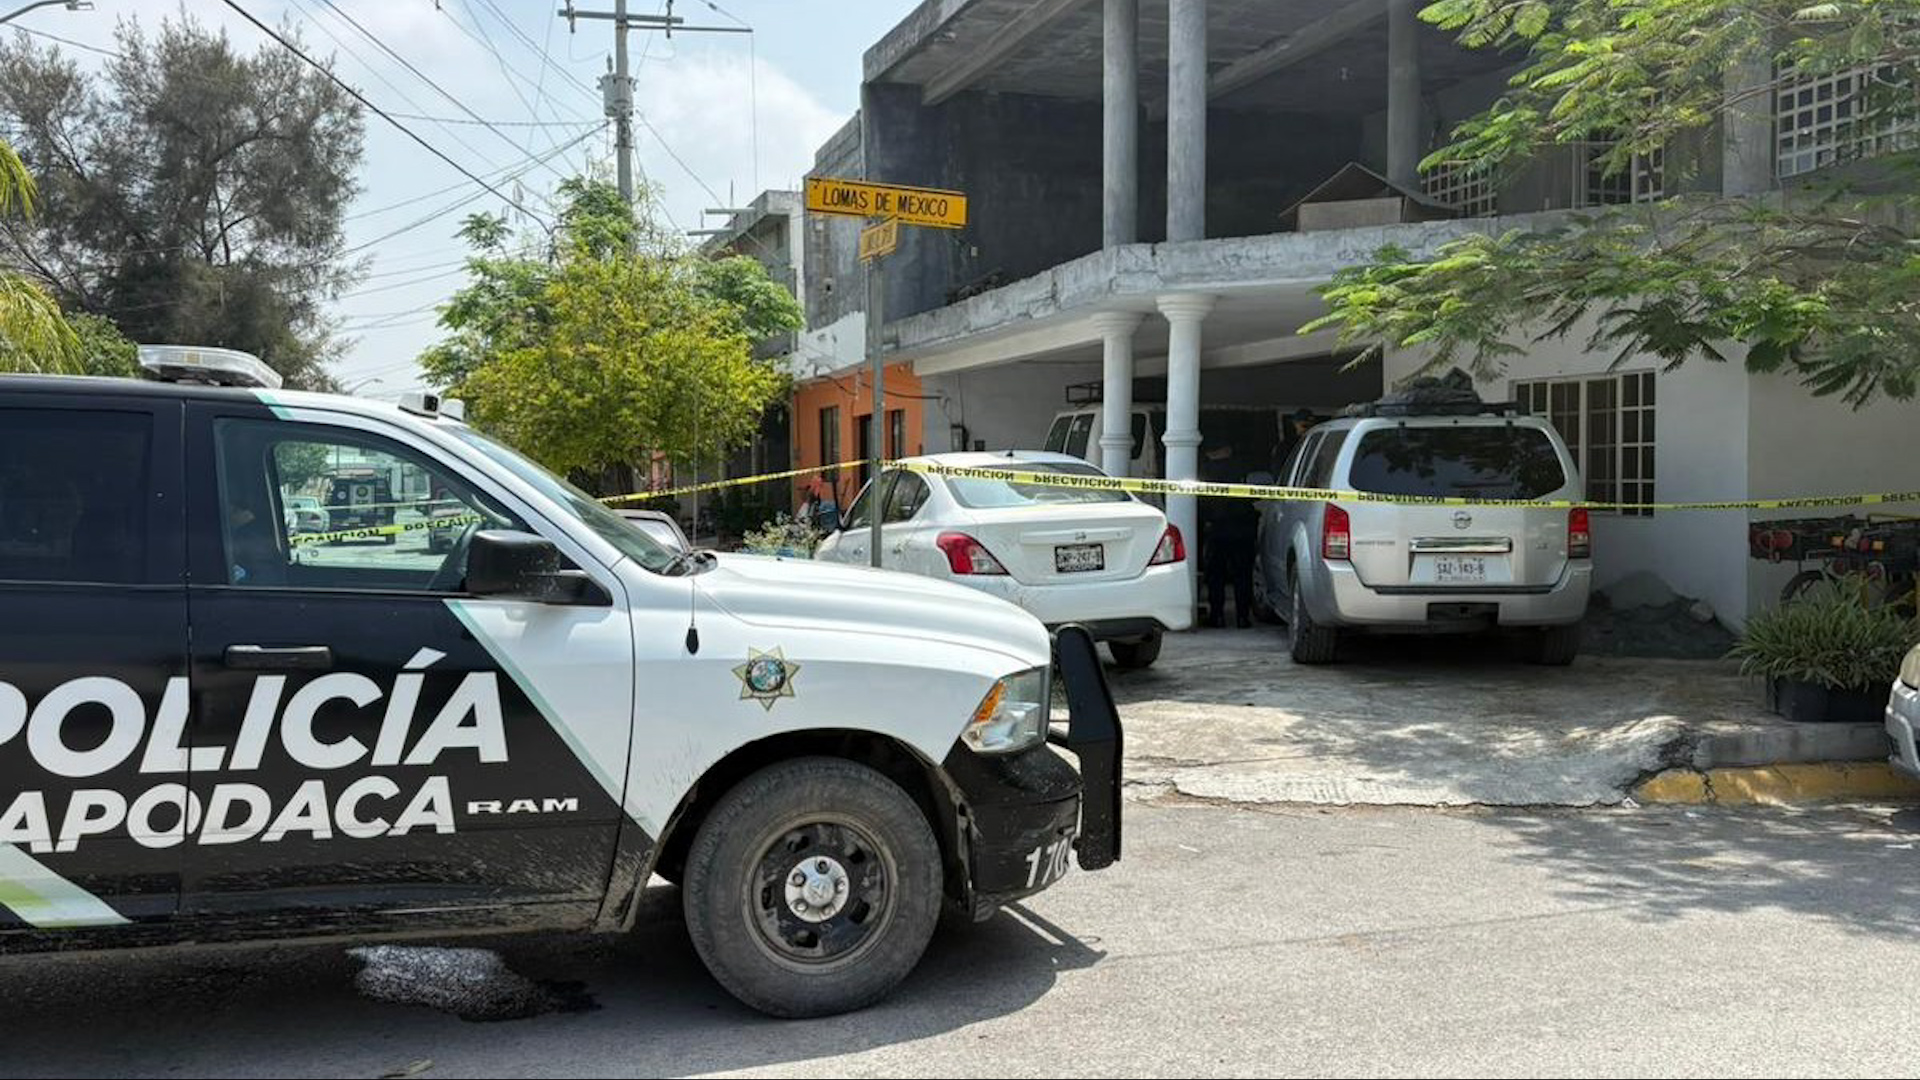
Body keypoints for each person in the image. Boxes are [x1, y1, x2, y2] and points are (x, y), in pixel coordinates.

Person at [1201, 440, 1258, 628]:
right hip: (1243, 529)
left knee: (1215, 576)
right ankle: (1243, 617)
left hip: (1217, 530)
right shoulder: (1243, 469)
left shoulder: (1205, 471)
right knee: (1243, 575)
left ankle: (1217, 616)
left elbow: (1200, 502)